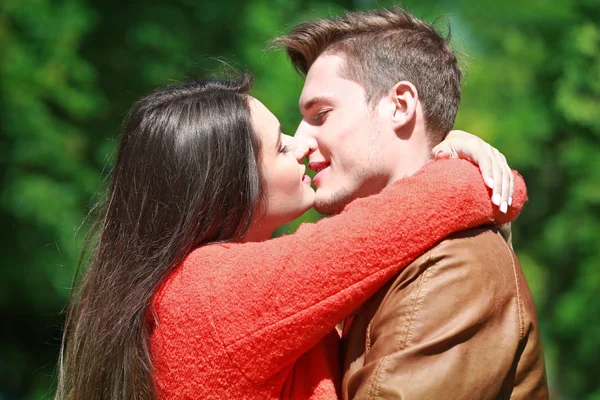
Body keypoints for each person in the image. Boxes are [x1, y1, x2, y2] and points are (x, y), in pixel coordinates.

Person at [54, 75, 525, 400]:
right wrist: (467, 165)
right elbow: (408, 217)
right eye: (280, 145)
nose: (301, 145)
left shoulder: (194, 290)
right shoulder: (211, 292)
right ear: (229, 185)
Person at [275, 6, 548, 399]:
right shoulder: (378, 265)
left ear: (400, 105)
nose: (300, 141)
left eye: (321, 114)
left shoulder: (454, 267)